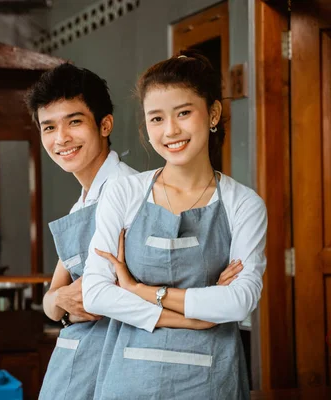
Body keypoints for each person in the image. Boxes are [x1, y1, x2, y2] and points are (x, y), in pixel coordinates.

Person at [82, 50, 267, 399]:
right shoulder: (125, 192)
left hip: (211, 381)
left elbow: (240, 301)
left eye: (184, 113)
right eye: (156, 118)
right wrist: (195, 315)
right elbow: (95, 293)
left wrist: (140, 291)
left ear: (213, 113)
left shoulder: (244, 205)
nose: (170, 131)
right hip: (129, 380)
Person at [25, 63, 138, 399]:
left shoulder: (130, 190)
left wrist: (65, 300)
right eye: (49, 127)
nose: (61, 139)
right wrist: (60, 299)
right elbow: (52, 300)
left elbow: (118, 294)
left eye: (74, 121)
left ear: (105, 124)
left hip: (122, 357)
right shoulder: (82, 204)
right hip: (86, 354)